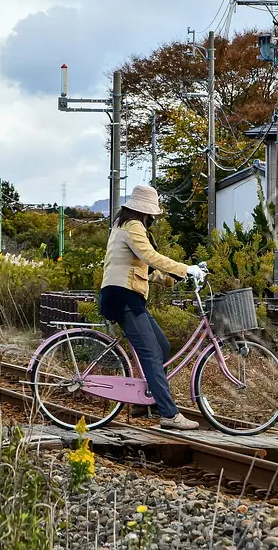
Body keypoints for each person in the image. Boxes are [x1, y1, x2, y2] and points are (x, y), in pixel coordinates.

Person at [98, 184, 204, 431]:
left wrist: (171, 278)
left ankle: (148, 401)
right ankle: (169, 414)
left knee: (162, 346)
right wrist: (185, 268)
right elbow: (150, 256)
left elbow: (139, 267)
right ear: (147, 212)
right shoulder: (133, 227)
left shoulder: (122, 226)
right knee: (152, 354)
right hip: (124, 298)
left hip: (126, 296)